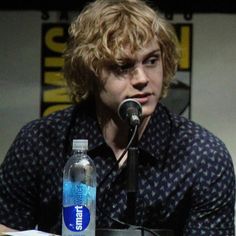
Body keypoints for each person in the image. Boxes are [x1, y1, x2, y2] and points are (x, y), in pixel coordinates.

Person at [0, 0, 235, 235]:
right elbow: (5, 226)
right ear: (89, 71)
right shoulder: (40, 141)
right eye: (123, 67)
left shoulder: (203, 155)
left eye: (152, 60)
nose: (142, 78)